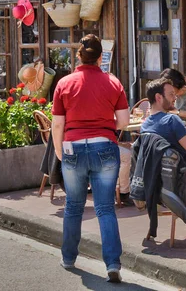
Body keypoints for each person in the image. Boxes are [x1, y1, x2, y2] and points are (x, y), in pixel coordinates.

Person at [51, 34, 130, 283]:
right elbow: (125, 121)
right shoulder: (113, 82)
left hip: (72, 146)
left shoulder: (64, 83)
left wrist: (58, 150)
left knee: (74, 206)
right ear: (100, 57)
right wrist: (107, 129)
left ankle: (68, 258)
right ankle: (112, 264)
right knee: (105, 207)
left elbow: (57, 124)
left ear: (79, 56)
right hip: (105, 145)